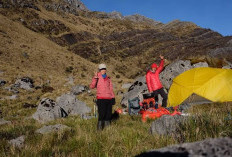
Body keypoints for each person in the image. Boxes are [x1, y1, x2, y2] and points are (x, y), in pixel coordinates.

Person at [90, 63, 115, 130]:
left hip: (109, 98)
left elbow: (111, 88)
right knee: (101, 114)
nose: (103, 70)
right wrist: (95, 78)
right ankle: (99, 130)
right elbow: (92, 86)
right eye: (101, 69)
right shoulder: (97, 77)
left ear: (106, 69)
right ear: (99, 70)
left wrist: (113, 97)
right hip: (101, 98)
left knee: (108, 114)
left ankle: (107, 130)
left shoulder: (108, 78)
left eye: (104, 69)